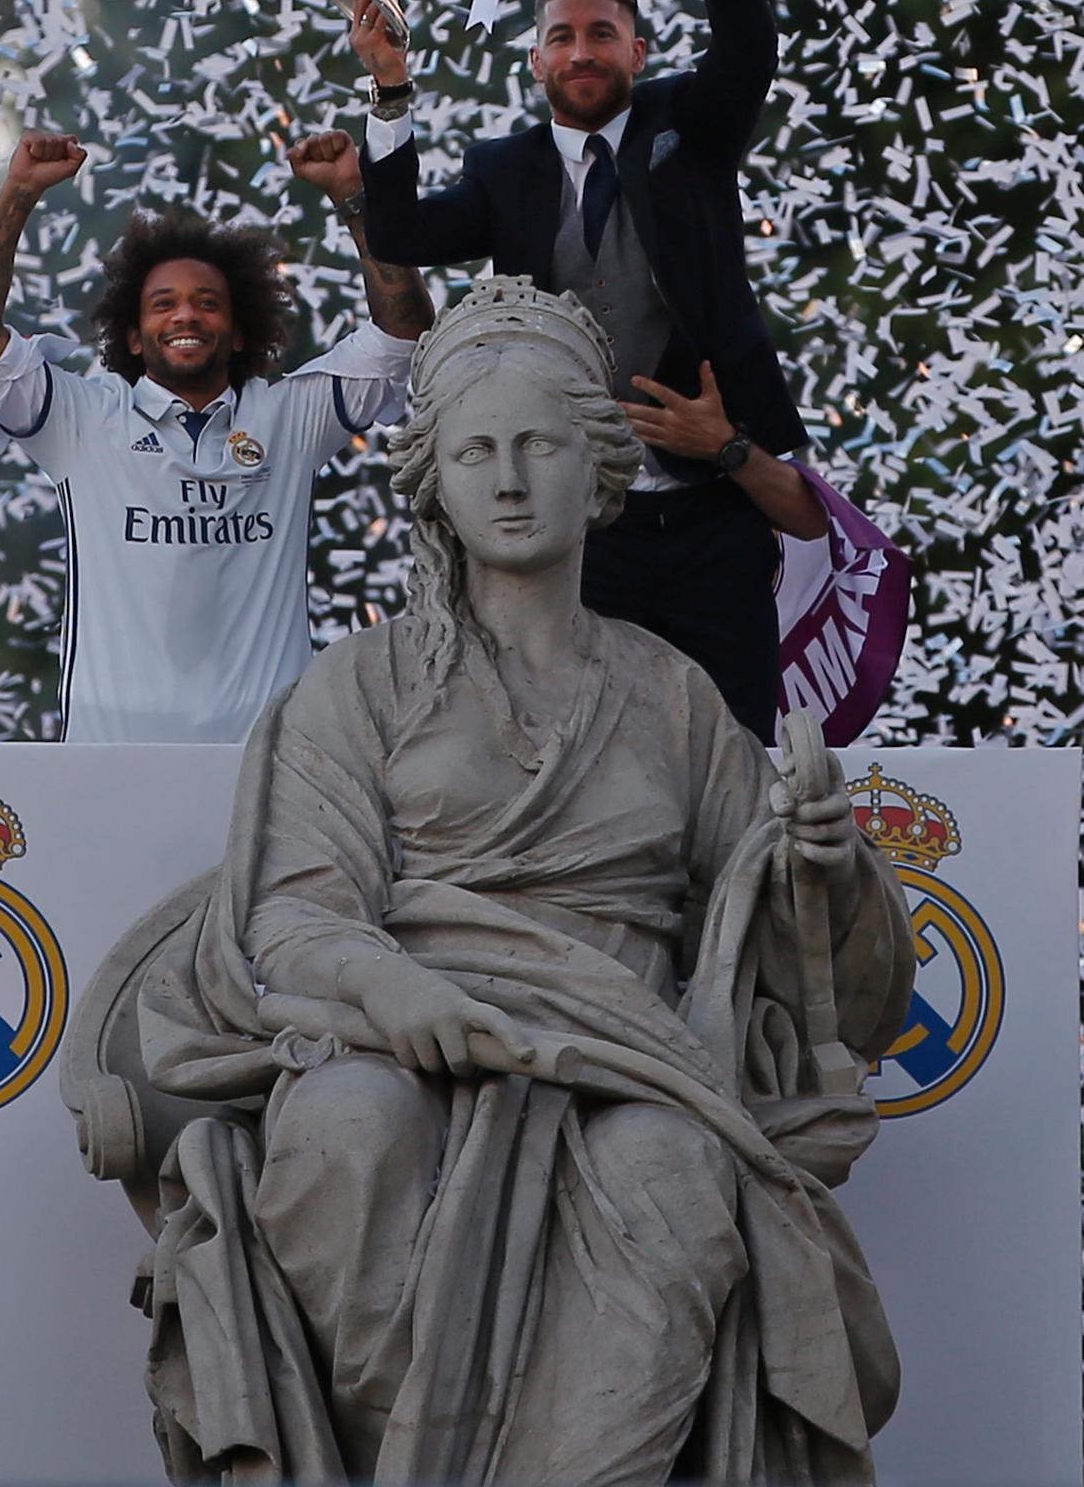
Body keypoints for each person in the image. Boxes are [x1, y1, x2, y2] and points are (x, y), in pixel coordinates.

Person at [136, 279, 915, 1485]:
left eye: (539, 446)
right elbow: (292, 913)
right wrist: (397, 994)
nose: (508, 480)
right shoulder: (360, 685)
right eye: (476, 451)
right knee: (347, 1128)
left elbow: (778, 943)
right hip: (405, 1036)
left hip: (624, 1054)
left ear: (598, 473)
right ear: (435, 483)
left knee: (670, 1166)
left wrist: (822, 863)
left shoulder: (673, 694)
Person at [322, 0, 828, 743]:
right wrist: (389, 90)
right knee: (586, 748)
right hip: (583, 523)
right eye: (562, 37)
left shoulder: (690, 126)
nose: (582, 52)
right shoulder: (503, 170)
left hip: (714, 504)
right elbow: (399, 229)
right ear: (535, 60)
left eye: (602, 34)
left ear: (637, 52)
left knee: (734, 744)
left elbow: (748, 52)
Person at [0, 130, 433, 743]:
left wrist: (355, 197)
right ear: (131, 336)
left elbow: (405, 332)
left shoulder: (289, 419)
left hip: (265, 766)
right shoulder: (84, 420)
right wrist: (18, 192)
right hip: (109, 762)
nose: (185, 315)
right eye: (162, 304)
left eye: (207, 303)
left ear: (239, 331)